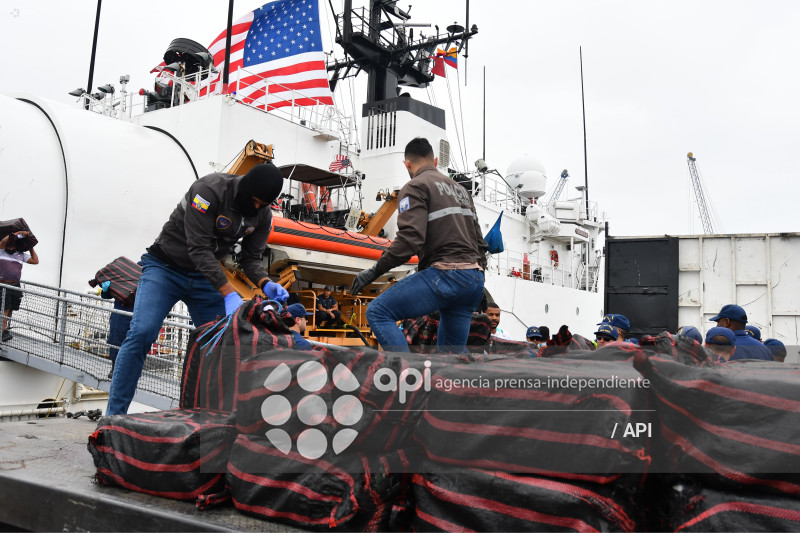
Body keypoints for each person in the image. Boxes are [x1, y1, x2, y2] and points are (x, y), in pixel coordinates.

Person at [106, 163, 288, 415]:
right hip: (165, 267)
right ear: (246, 189)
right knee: (141, 333)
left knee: (224, 345)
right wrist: (228, 292)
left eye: (263, 204)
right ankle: (113, 417)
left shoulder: (263, 214)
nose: (257, 207)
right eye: (255, 201)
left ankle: (211, 418)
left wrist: (266, 283)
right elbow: (198, 248)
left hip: (205, 277)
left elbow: (251, 259)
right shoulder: (208, 190)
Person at [351, 137, 488, 353]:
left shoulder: (416, 186)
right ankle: (445, 384)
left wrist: (374, 271)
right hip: (473, 280)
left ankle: (407, 377)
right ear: (434, 160)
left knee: (377, 312)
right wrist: (478, 286)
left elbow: (410, 240)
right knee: (450, 360)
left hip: (446, 275)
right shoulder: (462, 191)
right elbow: (480, 242)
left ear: (407, 164)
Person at [0, 230, 39, 342]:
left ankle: (4, 328)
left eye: (13, 246)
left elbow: (35, 261)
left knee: (11, 308)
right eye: (10, 245)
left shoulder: (21, 255)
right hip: (3, 285)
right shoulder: (1, 251)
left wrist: (30, 246)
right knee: (5, 308)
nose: (11, 248)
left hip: (15, 285)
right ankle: (3, 332)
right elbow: (4, 240)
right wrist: (20, 234)